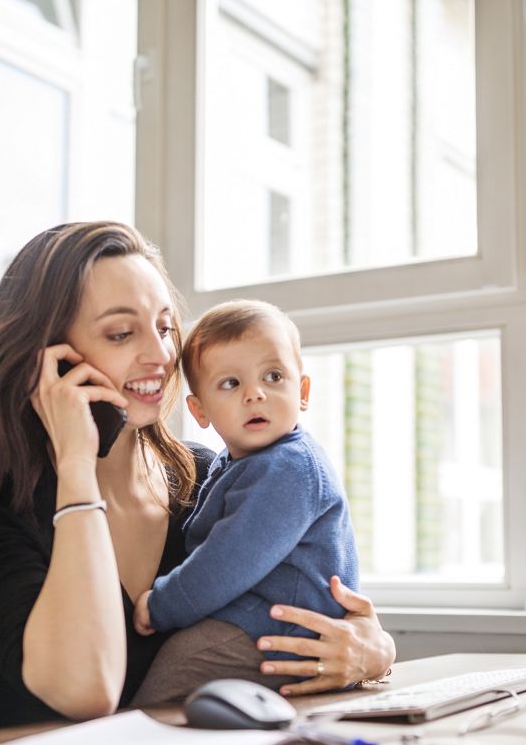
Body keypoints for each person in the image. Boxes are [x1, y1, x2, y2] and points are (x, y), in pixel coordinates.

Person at [0, 221, 395, 736]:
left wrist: (371, 650)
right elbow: (86, 691)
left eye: (164, 327)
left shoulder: (205, 478)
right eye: (121, 333)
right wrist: (76, 466)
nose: (162, 356)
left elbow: (317, 599)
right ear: (48, 360)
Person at [131, 300, 358, 704]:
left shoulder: (289, 468)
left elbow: (227, 561)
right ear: (199, 410)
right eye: (230, 384)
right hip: (261, 623)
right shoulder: (236, 462)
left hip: (279, 631)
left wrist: (162, 606)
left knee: (165, 685)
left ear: (302, 391)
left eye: (273, 376)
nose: (255, 394)